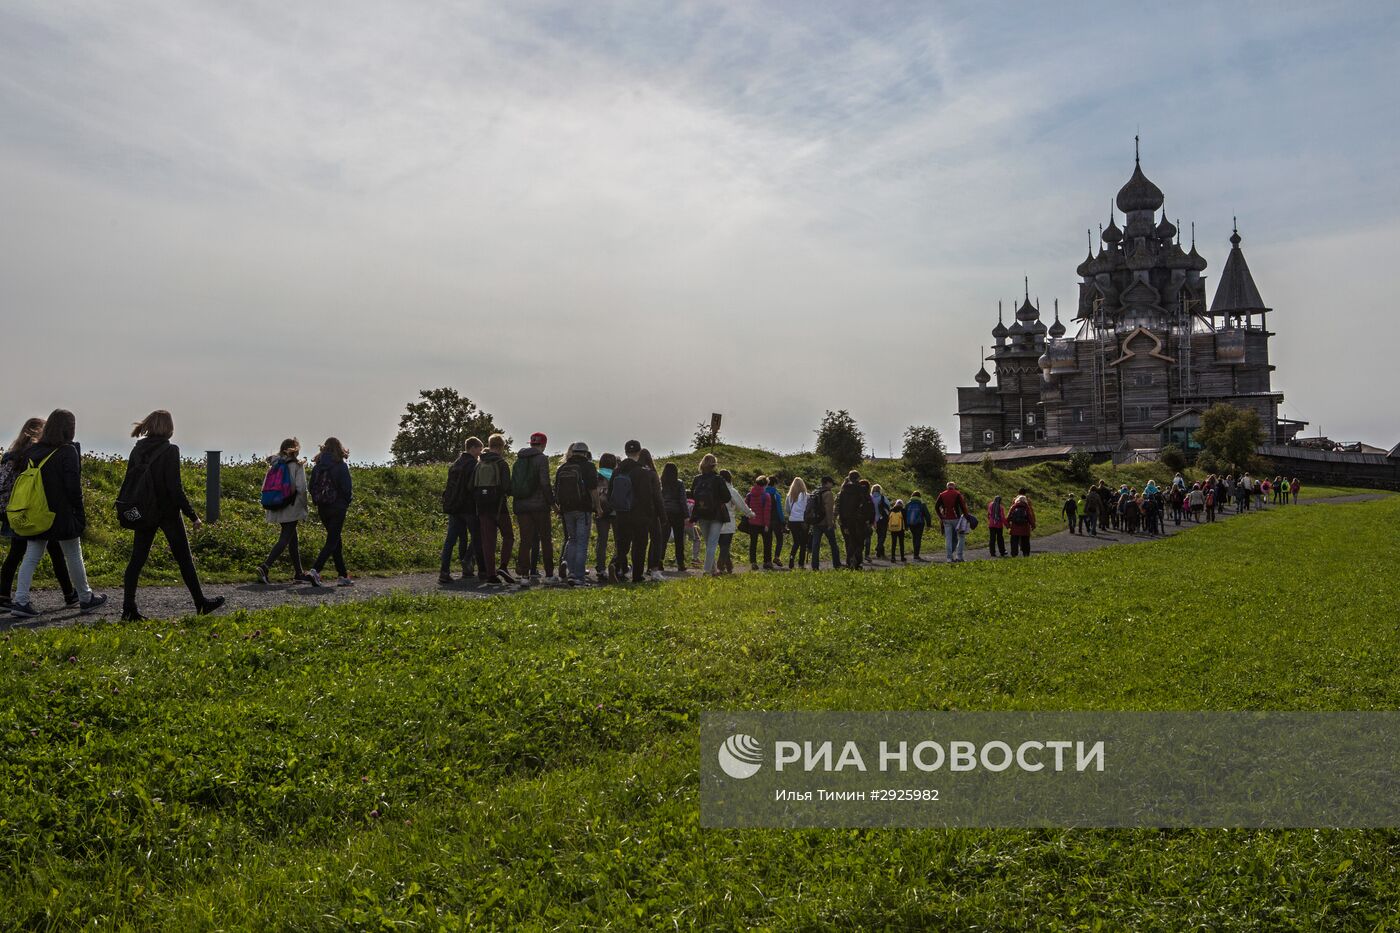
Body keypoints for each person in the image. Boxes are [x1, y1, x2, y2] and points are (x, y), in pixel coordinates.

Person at [117, 410, 226, 620]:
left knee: (136, 560)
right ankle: (200, 602)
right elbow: (175, 488)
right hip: (167, 513)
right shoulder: (170, 450)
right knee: (184, 559)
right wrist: (193, 515)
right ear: (168, 427)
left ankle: (128, 608)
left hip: (144, 511)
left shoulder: (137, 449)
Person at [8, 409, 107, 618]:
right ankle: (85, 597)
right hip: (62, 514)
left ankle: (21, 600)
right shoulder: (67, 452)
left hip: (37, 512)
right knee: (73, 554)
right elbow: (73, 487)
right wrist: (79, 513)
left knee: (31, 556)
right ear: (68, 429)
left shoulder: (33, 451)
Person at [1, 417, 77, 612]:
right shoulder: (34, 455)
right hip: (33, 509)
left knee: (16, 553)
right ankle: (69, 594)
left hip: (12, 509)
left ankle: (3, 594)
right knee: (55, 550)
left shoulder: (10, 455)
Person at [255, 438, 311, 585]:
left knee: (293, 538)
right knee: (285, 538)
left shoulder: (275, 464)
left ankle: (299, 573)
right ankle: (265, 567)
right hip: (292, 506)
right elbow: (302, 488)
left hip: (278, 504)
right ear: (295, 449)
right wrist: (305, 508)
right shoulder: (297, 465)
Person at [609, 440, 662, 583]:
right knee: (639, 545)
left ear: (626, 452)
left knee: (623, 544)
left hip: (621, 514)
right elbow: (647, 496)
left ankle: (617, 567)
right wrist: (650, 514)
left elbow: (610, 494)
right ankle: (637, 576)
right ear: (639, 453)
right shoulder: (643, 472)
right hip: (639, 515)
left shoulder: (617, 471)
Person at [306, 437, 354, 587]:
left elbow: (311, 486)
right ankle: (315, 570)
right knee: (332, 541)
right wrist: (346, 502)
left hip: (323, 507)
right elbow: (347, 488)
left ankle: (342, 575)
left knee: (336, 541)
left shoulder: (318, 467)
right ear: (339, 449)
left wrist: (317, 500)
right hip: (338, 507)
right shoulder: (341, 466)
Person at [513, 432, 558, 585]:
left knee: (525, 541)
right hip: (539, 506)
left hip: (521, 505)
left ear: (531, 443)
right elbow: (545, 483)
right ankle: (549, 574)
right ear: (544, 444)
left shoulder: (518, 460)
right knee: (545, 539)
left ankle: (524, 576)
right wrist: (552, 503)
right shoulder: (542, 459)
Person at [474, 434, 516, 586]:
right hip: (499, 506)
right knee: (508, 536)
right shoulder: (501, 463)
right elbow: (506, 487)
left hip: (482, 507)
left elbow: (471, 486)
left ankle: (491, 574)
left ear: (489, 444)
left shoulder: (479, 463)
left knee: (488, 542)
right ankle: (503, 566)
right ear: (501, 446)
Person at [555, 442, 600, 586]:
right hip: (583, 509)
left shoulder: (563, 467)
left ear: (573, 452)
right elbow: (593, 489)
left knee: (572, 539)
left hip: (567, 509)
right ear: (586, 453)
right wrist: (598, 507)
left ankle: (572, 572)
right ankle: (579, 577)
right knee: (582, 542)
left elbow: (556, 489)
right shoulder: (589, 466)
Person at [439, 438, 483, 584]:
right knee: (477, 536)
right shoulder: (473, 464)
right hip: (468, 507)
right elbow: (473, 486)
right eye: (479, 449)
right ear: (472, 448)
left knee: (451, 539)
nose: (480, 453)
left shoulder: (455, 464)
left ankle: (444, 571)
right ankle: (468, 564)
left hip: (454, 507)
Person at [688, 453, 729, 576]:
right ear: (714, 465)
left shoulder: (697, 479)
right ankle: (706, 571)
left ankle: (713, 569)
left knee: (708, 543)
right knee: (712, 544)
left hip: (701, 513)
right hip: (716, 515)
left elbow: (692, 495)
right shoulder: (718, 479)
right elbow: (727, 497)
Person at [717, 468, 752, 575]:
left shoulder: (715, 490)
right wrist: (750, 513)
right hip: (729, 521)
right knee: (725, 545)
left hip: (716, 520)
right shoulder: (731, 490)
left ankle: (729, 565)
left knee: (721, 544)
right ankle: (721, 565)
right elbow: (741, 504)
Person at [638, 449, 667, 580]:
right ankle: (654, 568)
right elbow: (658, 496)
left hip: (637, 510)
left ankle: (637, 570)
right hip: (652, 511)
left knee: (640, 541)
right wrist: (663, 515)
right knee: (656, 539)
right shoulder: (652, 474)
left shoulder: (635, 472)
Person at [658, 462, 689, 572]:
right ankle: (680, 563)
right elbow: (683, 501)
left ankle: (659, 562)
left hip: (665, 512)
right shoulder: (679, 483)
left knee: (663, 539)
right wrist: (686, 516)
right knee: (679, 539)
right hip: (677, 513)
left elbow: (659, 498)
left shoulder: (661, 483)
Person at [836, 471, 869, 570]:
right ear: (858, 478)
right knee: (859, 542)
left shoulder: (843, 491)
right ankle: (858, 562)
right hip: (858, 521)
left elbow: (840, 507)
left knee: (848, 541)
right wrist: (867, 519)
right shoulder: (862, 489)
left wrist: (842, 521)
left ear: (849, 478)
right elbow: (866, 506)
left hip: (846, 520)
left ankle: (849, 560)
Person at [807, 476, 840, 570]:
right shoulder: (828, 493)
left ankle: (814, 566)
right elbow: (829, 510)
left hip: (816, 522)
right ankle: (837, 564)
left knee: (815, 545)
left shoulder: (816, 492)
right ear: (827, 483)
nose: (832, 485)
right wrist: (831, 523)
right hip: (825, 522)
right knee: (833, 544)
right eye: (831, 483)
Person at [594, 452, 617, 581]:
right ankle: (615, 564)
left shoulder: (596, 475)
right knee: (618, 540)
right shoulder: (616, 474)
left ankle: (601, 568)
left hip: (600, 510)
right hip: (614, 511)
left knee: (602, 540)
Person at [745, 475, 775, 570]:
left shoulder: (749, 495)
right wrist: (767, 524)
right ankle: (767, 561)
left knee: (753, 543)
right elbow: (766, 512)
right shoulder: (766, 496)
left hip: (752, 522)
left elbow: (746, 508)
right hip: (762, 523)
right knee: (767, 542)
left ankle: (753, 562)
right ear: (765, 484)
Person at [934, 481, 969, 563]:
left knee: (948, 539)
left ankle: (949, 558)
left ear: (947, 487)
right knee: (961, 536)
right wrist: (966, 516)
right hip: (956, 519)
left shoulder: (942, 494)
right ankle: (959, 556)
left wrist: (941, 517)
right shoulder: (957, 494)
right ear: (954, 487)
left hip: (946, 519)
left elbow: (936, 507)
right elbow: (963, 506)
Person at [785, 478, 810, 570]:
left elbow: (787, 509)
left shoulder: (789, 496)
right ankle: (801, 563)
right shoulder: (807, 496)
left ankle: (791, 560)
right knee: (803, 543)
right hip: (803, 521)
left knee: (796, 542)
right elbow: (809, 509)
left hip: (792, 521)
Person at [905, 491, 932, 561]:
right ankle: (916, 555)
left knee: (914, 538)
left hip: (911, 524)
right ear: (920, 497)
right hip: (920, 523)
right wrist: (928, 524)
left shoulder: (908, 504)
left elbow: (904, 515)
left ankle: (915, 554)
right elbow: (927, 515)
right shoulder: (922, 504)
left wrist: (906, 525)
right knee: (918, 538)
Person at [767, 480, 787, 568]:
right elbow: (779, 509)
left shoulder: (763, 493)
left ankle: (767, 560)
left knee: (768, 540)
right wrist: (783, 521)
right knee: (779, 539)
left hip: (766, 520)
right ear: (775, 484)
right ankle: (776, 557)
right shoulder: (776, 494)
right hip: (776, 520)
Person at [869, 483, 891, 560]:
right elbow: (888, 507)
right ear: (879, 490)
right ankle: (878, 547)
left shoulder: (870, 497)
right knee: (883, 535)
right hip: (882, 519)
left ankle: (880, 553)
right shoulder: (882, 497)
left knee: (879, 535)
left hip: (873, 519)